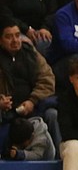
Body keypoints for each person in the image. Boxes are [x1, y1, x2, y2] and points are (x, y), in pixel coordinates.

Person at [0, 18, 58, 154]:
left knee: (53, 114)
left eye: (17, 35)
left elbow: (47, 79)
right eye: (9, 37)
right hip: (5, 112)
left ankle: (60, 157)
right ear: (0, 40)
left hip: (33, 108)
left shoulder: (31, 54)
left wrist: (32, 101)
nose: (15, 40)